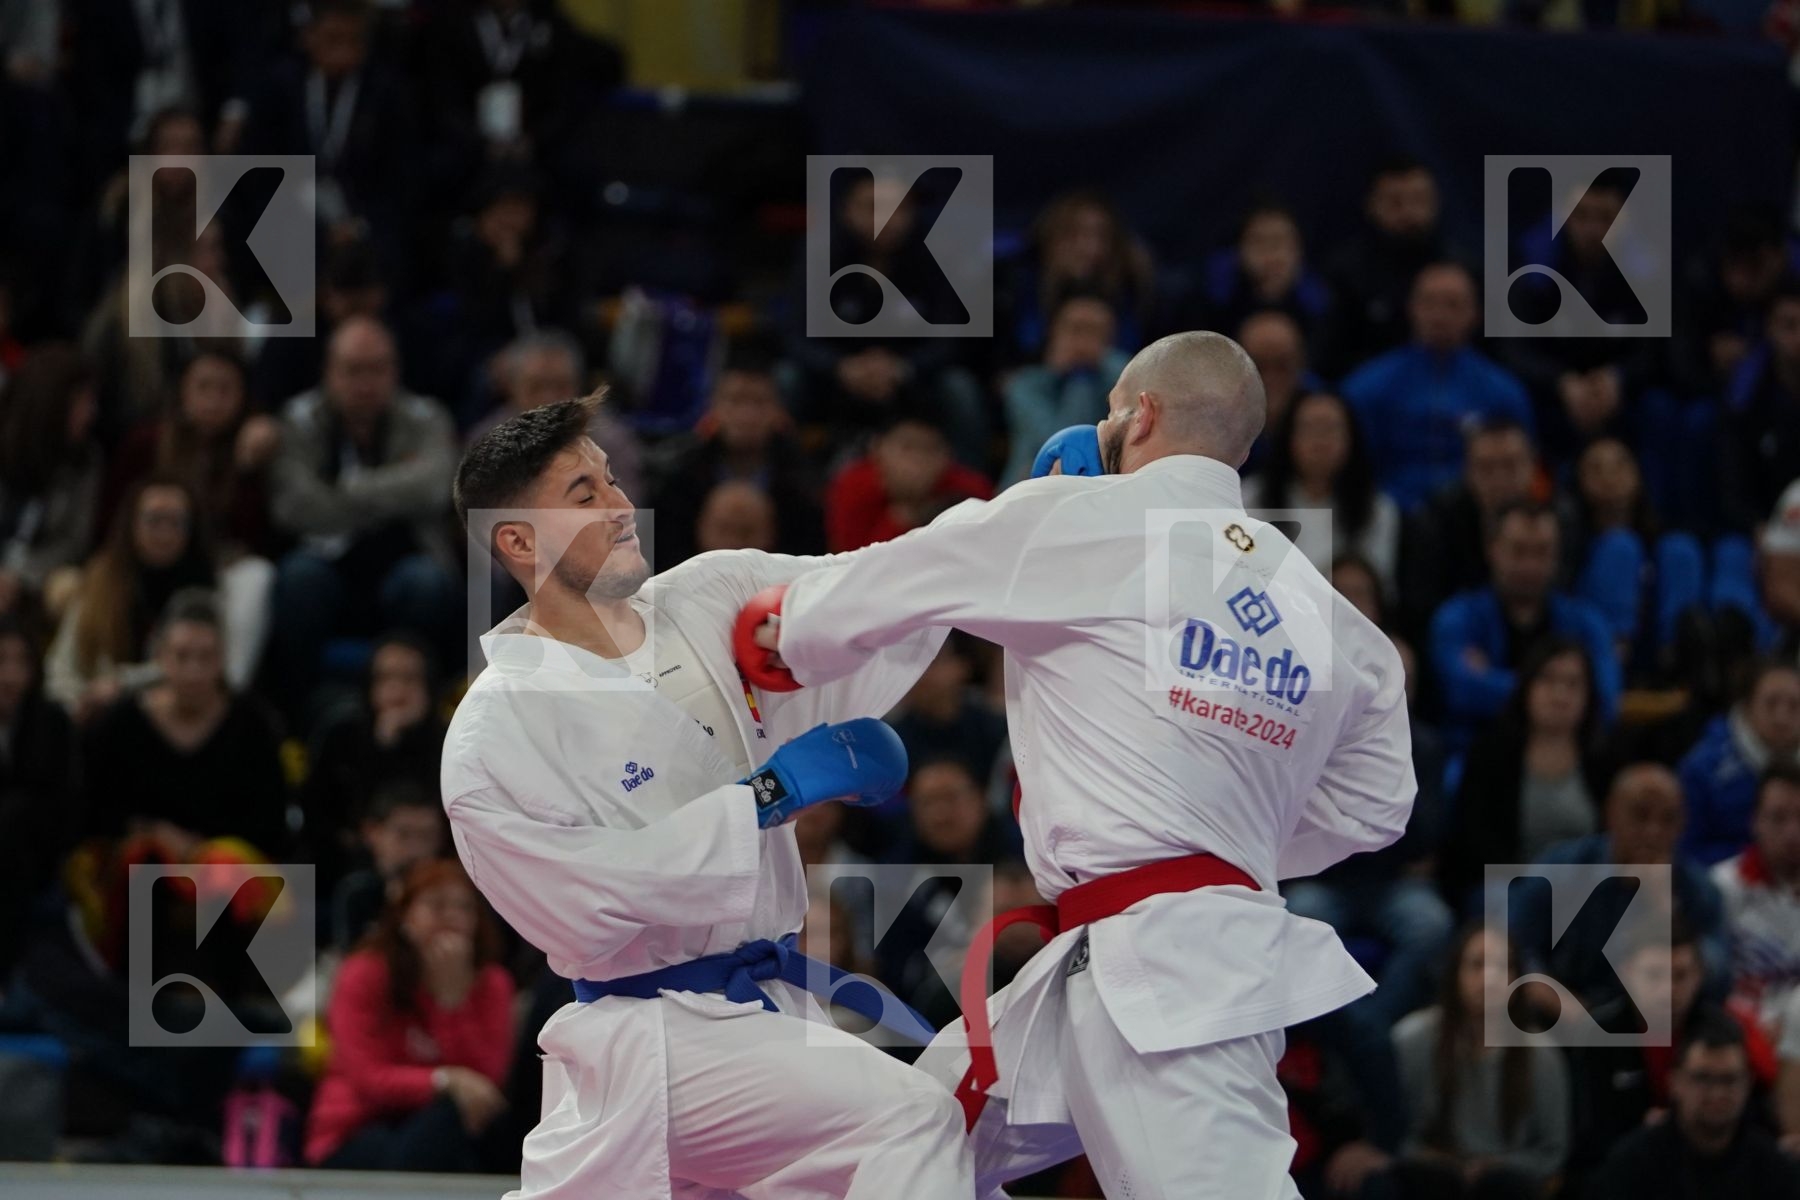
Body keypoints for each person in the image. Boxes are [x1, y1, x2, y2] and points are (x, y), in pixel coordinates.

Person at [749, 331, 1416, 1196]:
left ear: (1139, 415)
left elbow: (892, 578)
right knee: (903, 1148)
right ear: (1242, 449)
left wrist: (780, 630)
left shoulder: (1079, 520)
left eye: (1110, 413)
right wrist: (1224, 837)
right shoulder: (1330, 615)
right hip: (1125, 956)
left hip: (1176, 985)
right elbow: (1376, 807)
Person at [441, 394, 974, 1199]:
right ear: (518, 540)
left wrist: (1025, 515)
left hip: (770, 1011)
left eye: (614, 481)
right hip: (655, 1031)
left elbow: (877, 586)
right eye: (584, 497)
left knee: (940, 1139)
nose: (623, 508)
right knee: (913, 1120)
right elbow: (583, 900)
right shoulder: (495, 731)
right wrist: (769, 794)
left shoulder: (712, 595)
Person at [269, 317, 460, 711]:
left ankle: (419, 709)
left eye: (378, 369)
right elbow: (294, 507)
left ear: (395, 371)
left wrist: (350, 488)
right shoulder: (299, 420)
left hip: (407, 559)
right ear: (329, 372)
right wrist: (393, 494)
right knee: (298, 579)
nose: (366, 382)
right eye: (353, 370)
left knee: (426, 583)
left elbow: (435, 488)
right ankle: (298, 714)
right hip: (326, 567)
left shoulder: (426, 417)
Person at [307, 859, 515, 1171]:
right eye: (437, 905)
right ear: (405, 916)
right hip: (357, 1129)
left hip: (453, 1129)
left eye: (465, 908)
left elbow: (486, 1085)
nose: (453, 918)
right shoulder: (363, 973)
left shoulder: (492, 984)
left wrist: (451, 1005)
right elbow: (368, 1079)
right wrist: (444, 1080)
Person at [1565, 922, 1782, 1194]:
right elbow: (1584, 1134)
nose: (1667, 989)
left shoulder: (1725, 1032)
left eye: (1680, 976)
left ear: (1700, 976)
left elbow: (1757, 1117)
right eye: (1654, 975)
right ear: (1627, 974)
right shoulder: (1596, 1035)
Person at [80, 588, 288, 861]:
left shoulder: (253, 725)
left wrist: (200, 849)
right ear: (161, 658)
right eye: (182, 656)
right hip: (139, 871)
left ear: (222, 660)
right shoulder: (122, 722)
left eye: (206, 657)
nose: (194, 672)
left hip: (227, 876)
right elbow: (93, 809)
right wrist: (151, 833)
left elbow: (269, 822)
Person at [46, 476, 271, 716]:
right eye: (154, 520)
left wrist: (123, 685)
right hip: (100, 717)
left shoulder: (207, 591)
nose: (164, 533)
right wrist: (75, 706)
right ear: (131, 524)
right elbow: (62, 668)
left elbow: (202, 669)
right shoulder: (102, 581)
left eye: (176, 522)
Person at [1516, 764, 1727, 1007]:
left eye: (1668, 819)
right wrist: (1566, 1008)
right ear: (1611, 814)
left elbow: (1719, 979)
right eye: (1640, 815)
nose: (1653, 831)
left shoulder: (1697, 888)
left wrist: (1663, 908)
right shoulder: (1563, 869)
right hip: (1561, 1017)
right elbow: (1517, 950)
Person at [1390, 927, 1570, 1200]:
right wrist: (1442, 1163)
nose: (1490, 979)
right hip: (1431, 1177)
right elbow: (1394, 1132)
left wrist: (1496, 1167)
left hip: (1507, 1183)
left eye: (1503, 967)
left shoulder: (1541, 1054)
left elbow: (1553, 1149)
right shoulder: (1412, 1039)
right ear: (1454, 975)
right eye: (1477, 965)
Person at [1342, 262, 1534, 511]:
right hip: (1391, 513)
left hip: (1474, 516)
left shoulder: (1504, 392)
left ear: (1475, 314)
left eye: (1453, 305)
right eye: (1429, 303)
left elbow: (1525, 470)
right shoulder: (1368, 387)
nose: (1440, 315)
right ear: (1411, 308)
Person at [1429, 501, 1621, 740]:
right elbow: (1461, 689)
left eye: (1542, 551)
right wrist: (1565, 691)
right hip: (1475, 756)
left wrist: (1491, 679)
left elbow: (1605, 699)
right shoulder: (1458, 617)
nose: (1530, 565)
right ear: (1492, 549)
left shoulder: (1587, 623)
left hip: (1566, 758)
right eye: (1519, 551)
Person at [1446, 637, 1618, 902]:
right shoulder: (1490, 753)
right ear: (1526, 687)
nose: (1560, 695)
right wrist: (1535, 886)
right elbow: (1472, 840)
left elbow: (1612, 839)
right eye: (1548, 680)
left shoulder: (1605, 758)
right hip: (1507, 885)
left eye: (1573, 684)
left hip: (1587, 890)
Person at [1588, 1015, 1800, 1199]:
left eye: (1729, 1079)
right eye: (1703, 1078)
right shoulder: (1630, 1167)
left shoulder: (1774, 1170)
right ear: (1675, 1082)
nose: (1717, 1093)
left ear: (1748, 1084)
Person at [646, 344, 822, 566]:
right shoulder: (678, 475)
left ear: (779, 411)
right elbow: (661, 554)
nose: (746, 415)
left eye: (759, 402)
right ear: (713, 409)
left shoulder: (804, 481)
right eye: (735, 401)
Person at [302, 632, 447, 886]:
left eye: (409, 679)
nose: (398, 690)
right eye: (386, 678)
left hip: (434, 863)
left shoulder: (452, 740)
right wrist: (381, 749)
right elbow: (319, 817)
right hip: (348, 863)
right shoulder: (341, 735)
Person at [1242, 390, 1401, 594]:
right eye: (1309, 429)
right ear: (1288, 437)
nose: (1320, 441)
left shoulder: (1378, 510)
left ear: (1351, 439)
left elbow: (1376, 593)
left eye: (1330, 429)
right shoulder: (1250, 499)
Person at [1321, 157, 1460, 376]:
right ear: (1372, 206)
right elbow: (1328, 355)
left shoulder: (1463, 269)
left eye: (1419, 200)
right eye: (1396, 202)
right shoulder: (1346, 273)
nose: (1409, 213)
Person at [0, 613, 78, 979]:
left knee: (14, 820)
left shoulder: (52, 724)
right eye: (2, 661)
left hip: (33, 859)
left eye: (21, 662)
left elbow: (64, 810)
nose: (11, 676)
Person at [0, 344, 101, 621]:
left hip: (38, 581)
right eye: (83, 401)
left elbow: (74, 541)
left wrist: (18, 577)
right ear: (52, 402)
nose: (91, 413)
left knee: (70, 586)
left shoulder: (85, 461)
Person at [1000, 287, 1130, 485]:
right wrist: (1079, 378)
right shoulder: (1025, 385)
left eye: (1095, 332)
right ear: (1054, 332)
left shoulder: (1122, 380)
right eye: (1076, 329)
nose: (1083, 342)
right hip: (1028, 488)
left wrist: (1087, 371)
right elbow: (1065, 444)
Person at [824, 402, 993, 552]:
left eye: (930, 449)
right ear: (877, 448)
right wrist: (901, 516)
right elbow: (848, 560)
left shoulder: (971, 490)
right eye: (907, 447)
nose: (918, 459)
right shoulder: (853, 485)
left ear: (948, 456)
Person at [1680, 662, 1800, 866]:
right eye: (1771, 704)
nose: (1782, 717)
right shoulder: (1702, 770)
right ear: (1747, 706)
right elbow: (1685, 853)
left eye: (1794, 706)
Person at [1712, 762, 1800, 1033]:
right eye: (1778, 818)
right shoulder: (1722, 886)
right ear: (1755, 821)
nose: (1792, 833)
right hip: (1739, 1035)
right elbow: (1711, 986)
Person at [330, 778, 449, 952]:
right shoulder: (358, 893)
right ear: (372, 832)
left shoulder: (457, 894)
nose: (416, 849)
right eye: (403, 834)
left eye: (427, 836)